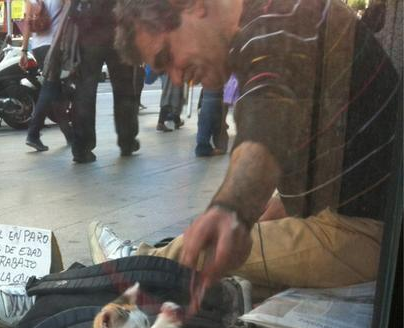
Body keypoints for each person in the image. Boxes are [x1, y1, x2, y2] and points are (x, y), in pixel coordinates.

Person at [92, 0, 400, 311]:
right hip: (357, 214)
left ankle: (133, 265)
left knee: (201, 250)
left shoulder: (282, 19)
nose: (174, 78)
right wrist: (270, 206)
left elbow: (269, 109)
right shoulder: (271, 20)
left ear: (193, 5)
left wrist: (233, 209)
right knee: (222, 248)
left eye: (167, 56)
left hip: (373, 236)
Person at [70, 0, 142, 163]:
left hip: (88, 36)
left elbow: (72, 9)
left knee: (85, 92)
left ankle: (82, 147)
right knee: (124, 90)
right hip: (116, 34)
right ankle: (127, 141)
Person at [21, 0, 73, 152]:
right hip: (54, 45)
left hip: (37, 46)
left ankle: (69, 135)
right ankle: (33, 133)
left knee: (55, 91)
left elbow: (27, 22)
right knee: (49, 88)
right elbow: (70, 14)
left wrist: (24, 50)